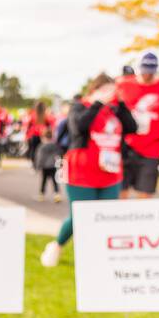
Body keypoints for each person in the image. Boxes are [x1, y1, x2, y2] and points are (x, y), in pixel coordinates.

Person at [40, 74, 137, 267]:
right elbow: (79, 127)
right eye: (106, 89)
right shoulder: (81, 106)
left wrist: (122, 106)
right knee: (80, 215)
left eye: (113, 89)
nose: (110, 94)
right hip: (82, 172)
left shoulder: (115, 110)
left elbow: (132, 127)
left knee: (105, 216)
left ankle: (97, 255)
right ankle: (57, 245)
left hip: (109, 172)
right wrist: (97, 103)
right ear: (95, 90)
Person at [115, 52, 159, 199]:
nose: (147, 74)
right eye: (144, 70)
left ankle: (141, 221)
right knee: (120, 191)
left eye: (150, 70)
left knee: (145, 194)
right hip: (125, 146)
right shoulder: (123, 85)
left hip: (152, 148)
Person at [34, 127, 62, 202]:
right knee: (54, 181)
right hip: (53, 166)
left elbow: (40, 157)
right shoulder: (55, 145)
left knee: (43, 181)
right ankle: (57, 194)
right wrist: (60, 165)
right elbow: (58, 155)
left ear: (43, 137)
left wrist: (37, 167)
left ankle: (41, 195)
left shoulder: (42, 147)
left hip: (45, 166)